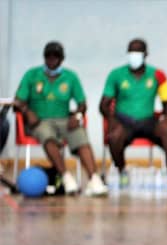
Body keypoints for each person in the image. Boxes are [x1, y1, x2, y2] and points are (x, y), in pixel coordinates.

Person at [13, 41, 108, 197]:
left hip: (64, 120)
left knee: (81, 137)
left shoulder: (71, 77)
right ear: (44, 58)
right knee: (47, 135)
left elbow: (82, 103)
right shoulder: (32, 74)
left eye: (55, 57)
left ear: (61, 59)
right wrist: (26, 111)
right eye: (48, 57)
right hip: (40, 121)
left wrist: (77, 116)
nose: (51, 60)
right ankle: (66, 177)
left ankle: (94, 179)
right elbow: (18, 100)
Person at [100, 38, 167, 194]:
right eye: (131, 52)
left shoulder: (158, 75)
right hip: (124, 121)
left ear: (145, 54)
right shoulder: (116, 75)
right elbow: (103, 105)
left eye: (137, 52)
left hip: (148, 121)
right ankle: (122, 170)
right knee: (115, 136)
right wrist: (112, 120)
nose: (134, 56)